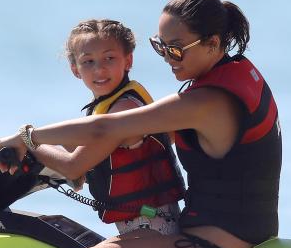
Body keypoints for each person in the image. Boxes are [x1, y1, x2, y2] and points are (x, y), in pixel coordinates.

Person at [0, 0, 282, 248]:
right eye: (161, 47)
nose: (167, 58)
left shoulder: (208, 102)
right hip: (218, 235)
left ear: (212, 43)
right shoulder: (233, 76)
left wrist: (27, 137)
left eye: (176, 49)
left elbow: (104, 129)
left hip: (215, 246)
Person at [25, 19, 184, 236]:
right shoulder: (105, 107)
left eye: (109, 58)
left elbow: (73, 167)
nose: (99, 69)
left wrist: (25, 141)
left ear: (128, 60)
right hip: (138, 228)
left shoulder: (125, 108)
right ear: (75, 69)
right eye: (88, 61)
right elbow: (83, 155)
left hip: (153, 229)